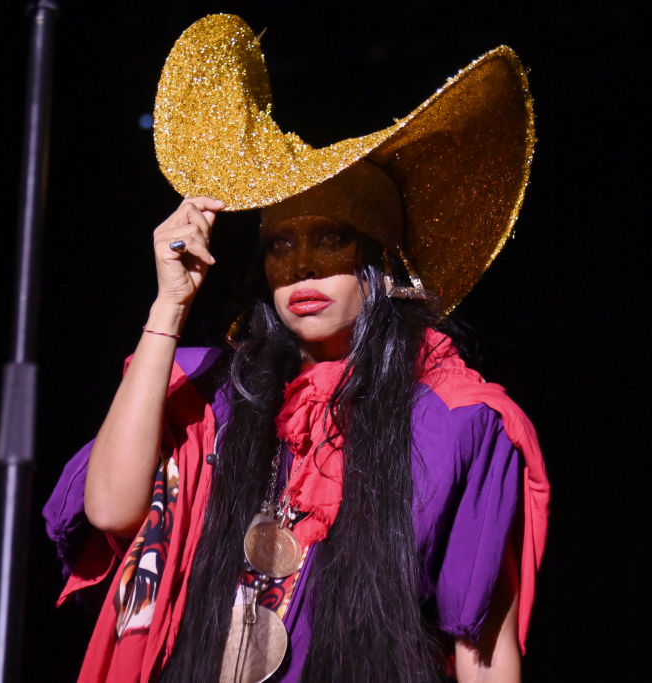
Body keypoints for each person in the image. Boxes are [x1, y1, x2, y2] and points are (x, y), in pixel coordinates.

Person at [44, 14, 550, 683]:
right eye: (282, 244)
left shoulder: (457, 419)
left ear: (382, 264)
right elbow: (109, 508)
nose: (303, 267)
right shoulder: (209, 395)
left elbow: (481, 650)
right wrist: (168, 304)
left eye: (334, 239)